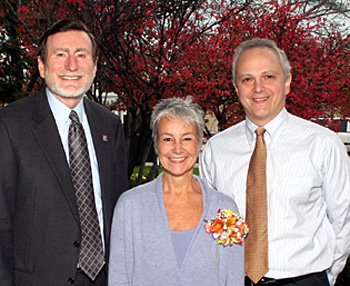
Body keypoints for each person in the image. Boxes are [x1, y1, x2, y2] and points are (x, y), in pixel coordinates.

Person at [200, 38, 350, 286]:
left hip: (303, 280)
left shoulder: (322, 144)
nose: (258, 88)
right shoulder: (216, 150)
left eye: (269, 76)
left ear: (288, 82)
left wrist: (327, 276)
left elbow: (343, 218)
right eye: (247, 79)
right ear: (237, 88)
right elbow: (208, 220)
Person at [0, 19, 128, 286]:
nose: (72, 65)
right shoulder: (10, 125)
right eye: (61, 55)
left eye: (81, 55)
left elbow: (118, 208)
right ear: (42, 66)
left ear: (94, 67)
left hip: (105, 278)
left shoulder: (110, 126)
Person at [108, 97, 245, 286]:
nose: (177, 148)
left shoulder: (225, 209)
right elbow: (118, 278)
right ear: (156, 144)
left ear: (199, 143)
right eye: (167, 139)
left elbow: (234, 279)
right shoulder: (130, 206)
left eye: (186, 138)